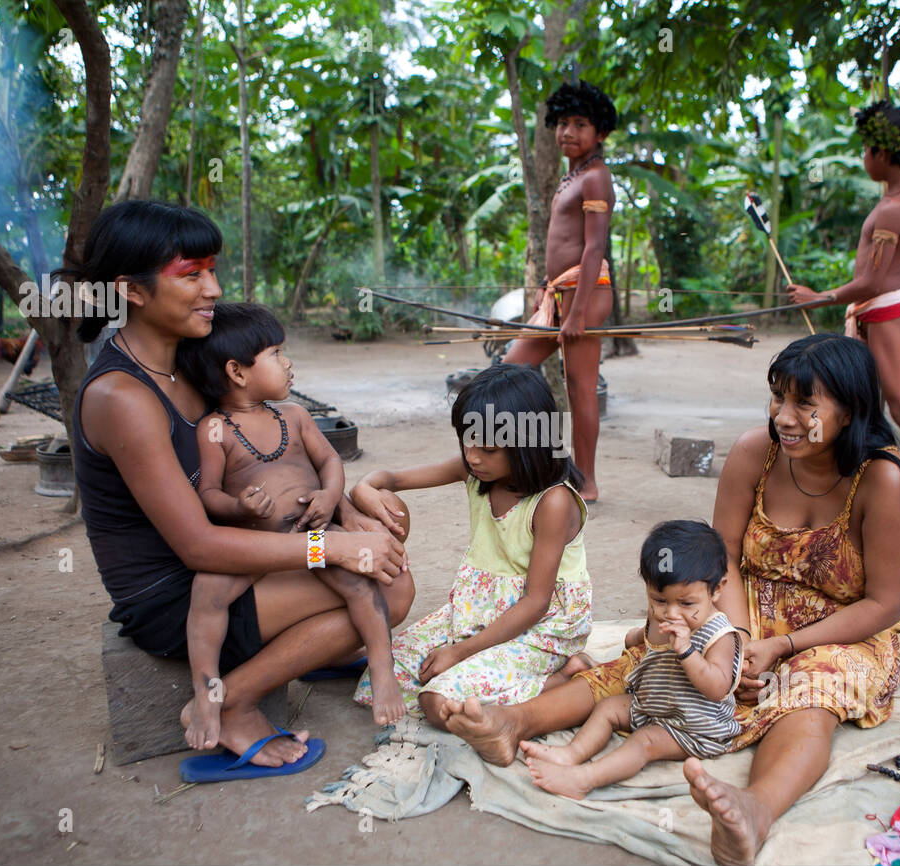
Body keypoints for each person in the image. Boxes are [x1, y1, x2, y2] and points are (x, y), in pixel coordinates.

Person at [444, 334, 900, 864]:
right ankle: (514, 724)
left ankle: (754, 812)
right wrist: (735, 637)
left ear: (852, 410)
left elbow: (882, 603)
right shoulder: (754, 454)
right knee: (646, 663)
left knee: (811, 698)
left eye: (804, 404)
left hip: (842, 626)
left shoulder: (883, 481)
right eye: (777, 397)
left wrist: (784, 646)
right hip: (742, 602)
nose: (783, 417)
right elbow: (728, 559)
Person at [68, 199, 411, 772]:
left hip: (238, 553)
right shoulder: (121, 398)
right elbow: (197, 546)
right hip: (179, 591)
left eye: (213, 270)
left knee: (387, 529)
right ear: (131, 290)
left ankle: (314, 642)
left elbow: (283, 459)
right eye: (192, 274)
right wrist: (332, 547)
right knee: (393, 590)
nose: (212, 288)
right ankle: (233, 703)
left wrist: (346, 512)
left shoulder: (187, 363)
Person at [173, 302, 407, 746]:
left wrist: (329, 494)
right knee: (207, 592)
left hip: (311, 536)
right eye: (277, 353)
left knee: (360, 582)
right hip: (253, 547)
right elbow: (208, 496)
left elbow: (330, 461)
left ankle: (381, 665)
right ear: (238, 373)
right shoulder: (214, 430)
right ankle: (207, 693)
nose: (288, 362)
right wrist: (238, 507)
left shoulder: (295, 417)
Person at [349, 363, 591, 727]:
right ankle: (498, 679)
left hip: (538, 629)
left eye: (489, 449)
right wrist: (365, 488)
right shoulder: (474, 469)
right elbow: (391, 478)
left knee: (438, 701)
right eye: (467, 441)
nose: (474, 456)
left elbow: (536, 602)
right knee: (387, 673)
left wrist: (459, 652)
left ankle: (563, 678)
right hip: (476, 614)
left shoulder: (553, 503)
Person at [785, 101, 900, 533]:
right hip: (896, 310)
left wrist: (818, 297)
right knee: (864, 405)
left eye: (866, 148)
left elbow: (870, 281)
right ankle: (861, 496)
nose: (863, 157)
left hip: (884, 315)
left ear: (882, 154)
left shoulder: (893, 209)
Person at [522, 520, 744, 800]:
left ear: (717, 589)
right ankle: (571, 754)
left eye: (686, 604)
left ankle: (584, 779)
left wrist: (688, 652)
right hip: (653, 705)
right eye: (659, 600)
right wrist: (636, 637)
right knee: (608, 708)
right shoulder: (661, 615)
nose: (671, 613)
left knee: (645, 741)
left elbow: (718, 687)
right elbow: (647, 637)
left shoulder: (718, 634)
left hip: (695, 726)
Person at [502, 79, 616, 503]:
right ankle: (533, 463)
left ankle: (586, 481)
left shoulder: (597, 178)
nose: (568, 131)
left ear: (600, 133)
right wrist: (546, 294)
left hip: (584, 296)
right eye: (562, 122)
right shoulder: (574, 176)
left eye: (580, 124)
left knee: (580, 387)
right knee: (512, 371)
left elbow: (592, 247)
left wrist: (577, 312)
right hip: (561, 295)